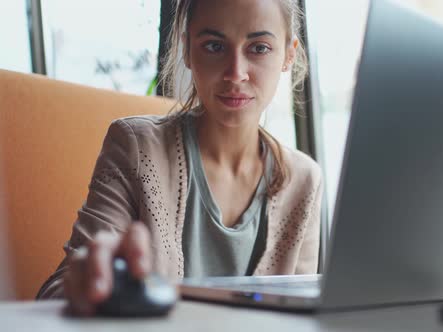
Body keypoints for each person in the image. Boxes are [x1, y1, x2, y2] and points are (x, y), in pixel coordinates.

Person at [36, 0, 323, 316]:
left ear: (289, 53)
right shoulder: (136, 147)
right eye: (214, 45)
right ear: (186, 49)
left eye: (258, 48)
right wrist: (87, 282)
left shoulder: (305, 180)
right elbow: (56, 293)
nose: (235, 73)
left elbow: (304, 315)